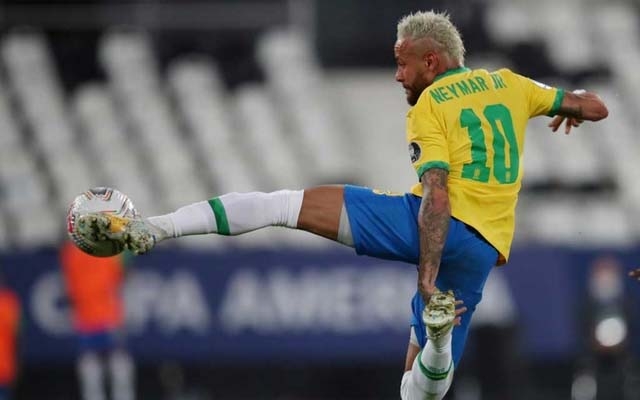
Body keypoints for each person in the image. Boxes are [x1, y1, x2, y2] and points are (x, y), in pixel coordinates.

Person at [75, 10, 608, 400]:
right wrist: (572, 110)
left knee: (283, 205)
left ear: (431, 60)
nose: (399, 77)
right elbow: (596, 105)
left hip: (435, 225)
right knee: (417, 393)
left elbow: (439, 193)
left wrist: (425, 277)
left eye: (403, 65)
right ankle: (440, 343)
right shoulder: (510, 83)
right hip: (487, 247)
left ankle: (154, 229)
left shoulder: (430, 105)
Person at [60, 241, 136, 400]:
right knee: (115, 364)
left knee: (93, 366)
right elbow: (122, 275)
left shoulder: (70, 252)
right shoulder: (107, 249)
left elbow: (68, 286)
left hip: (87, 317)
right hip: (106, 316)